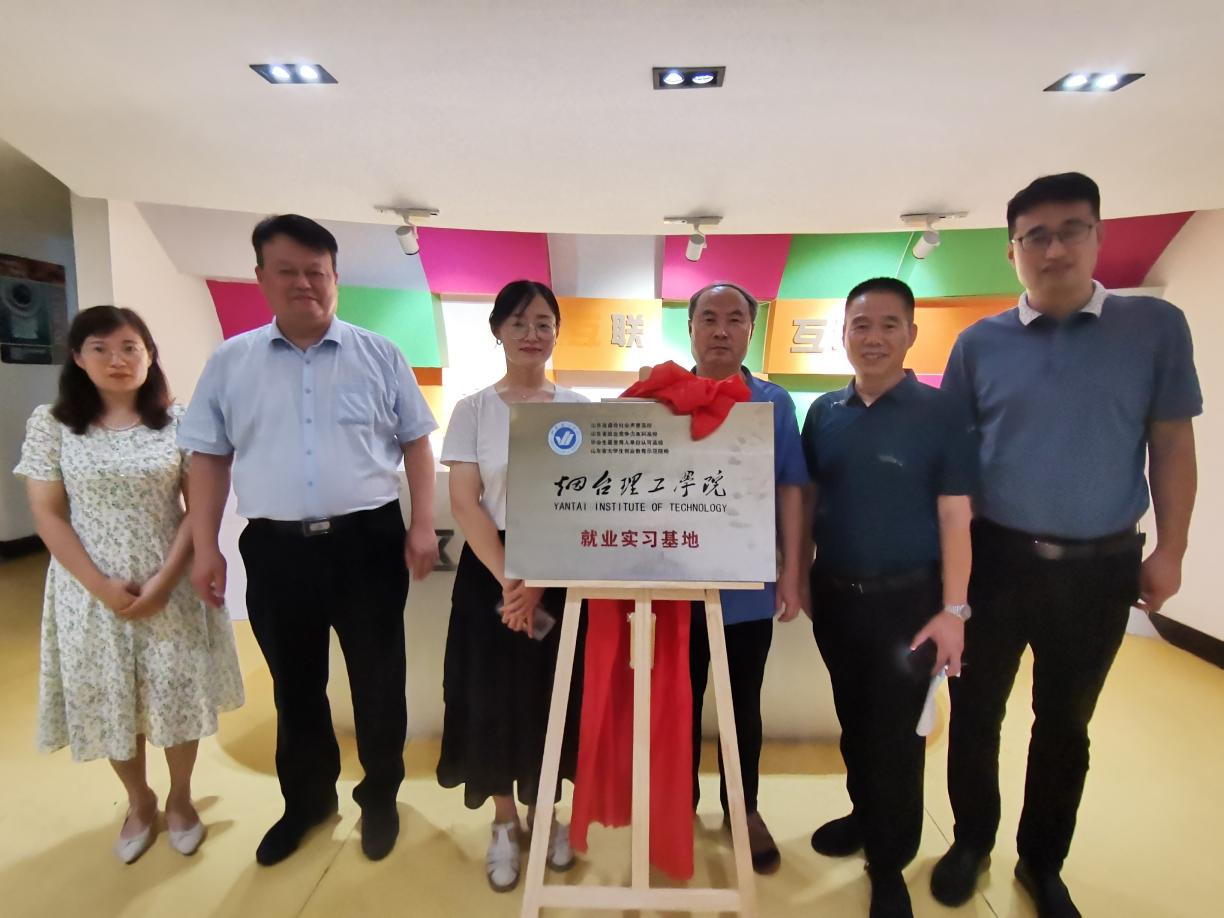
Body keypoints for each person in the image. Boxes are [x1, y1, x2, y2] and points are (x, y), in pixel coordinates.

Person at [931, 173, 1201, 918]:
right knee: (975, 713)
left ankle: (1042, 863)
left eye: (1071, 230)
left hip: (1100, 567)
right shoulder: (978, 344)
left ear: (1098, 235)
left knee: (1065, 725)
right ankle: (970, 841)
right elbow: (954, 468)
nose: (1054, 250)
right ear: (1012, 250)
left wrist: (1172, 549)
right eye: (1036, 237)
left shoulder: (1154, 327)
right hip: (996, 561)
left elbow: (1172, 444)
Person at [179, 214, 439, 865]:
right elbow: (208, 458)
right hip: (276, 550)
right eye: (288, 271)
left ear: (335, 278)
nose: (304, 284)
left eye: (316, 272)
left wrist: (421, 524)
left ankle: (379, 798)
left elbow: (416, 441)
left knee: (379, 680)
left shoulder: (379, 353)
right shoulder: (231, 362)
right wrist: (206, 546)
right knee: (295, 686)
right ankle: (307, 802)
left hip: (367, 543)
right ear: (261, 277)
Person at [14, 305, 244, 863]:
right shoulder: (52, 424)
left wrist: (164, 581)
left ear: (149, 355)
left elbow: (197, 507)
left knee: (176, 694)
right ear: (78, 357)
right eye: (100, 348)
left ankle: (182, 800)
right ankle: (140, 802)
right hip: (87, 591)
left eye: (129, 348)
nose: (117, 360)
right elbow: (47, 513)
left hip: (171, 584)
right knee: (112, 699)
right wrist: (99, 585)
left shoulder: (179, 421)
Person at [801, 278, 975, 918]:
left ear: (911, 334)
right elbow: (808, 500)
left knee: (898, 736)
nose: (873, 338)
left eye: (888, 325)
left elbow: (956, 516)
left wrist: (954, 611)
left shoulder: (942, 413)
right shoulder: (824, 412)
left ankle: (891, 861)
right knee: (854, 721)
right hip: (836, 598)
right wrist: (799, 575)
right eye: (861, 325)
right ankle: (864, 814)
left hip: (910, 605)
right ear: (844, 334)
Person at [437, 279, 586, 892]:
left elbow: (586, 500)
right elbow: (464, 502)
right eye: (519, 322)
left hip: (560, 570)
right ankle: (504, 820)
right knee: (490, 696)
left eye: (544, 322)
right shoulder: (473, 409)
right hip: (489, 571)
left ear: (556, 333)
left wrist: (541, 581)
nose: (532, 333)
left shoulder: (577, 405)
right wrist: (512, 582)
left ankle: (546, 813)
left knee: (554, 696)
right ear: (497, 330)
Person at [685, 282, 809, 873]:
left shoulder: (773, 402)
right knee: (678, 702)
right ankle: (677, 804)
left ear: (750, 331)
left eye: (735, 319)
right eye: (708, 317)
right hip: (675, 587)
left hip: (747, 585)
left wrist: (792, 572)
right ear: (690, 328)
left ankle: (744, 807)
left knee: (741, 704)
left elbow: (791, 487)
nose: (721, 330)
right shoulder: (663, 396)